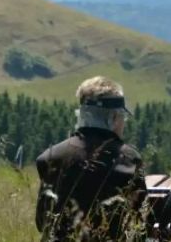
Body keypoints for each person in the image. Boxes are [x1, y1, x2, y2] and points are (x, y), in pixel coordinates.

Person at [35, 76, 147, 241]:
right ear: (114, 118)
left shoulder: (50, 157)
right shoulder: (129, 160)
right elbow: (138, 221)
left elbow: (42, 222)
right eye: (123, 117)